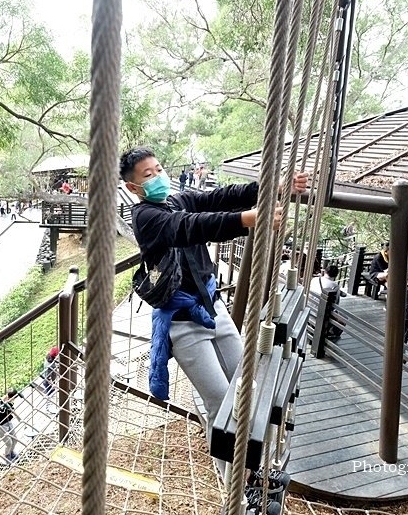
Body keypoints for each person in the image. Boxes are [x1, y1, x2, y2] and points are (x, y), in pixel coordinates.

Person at [120, 146, 307, 472]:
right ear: (134, 188)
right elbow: (190, 226)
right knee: (219, 400)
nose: (157, 177)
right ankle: (231, 480)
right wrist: (243, 220)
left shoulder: (176, 199)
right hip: (183, 323)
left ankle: (252, 463)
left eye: (158, 169)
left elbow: (218, 198)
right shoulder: (146, 218)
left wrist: (273, 187)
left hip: (213, 308)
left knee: (245, 383)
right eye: (148, 176)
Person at [316, 265, 346, 340]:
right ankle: (330, 334)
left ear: (325, 271)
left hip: (310, 307)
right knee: (343, 319)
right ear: (336, 275)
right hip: (322, 313)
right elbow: (335, 304)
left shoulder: (315, 279)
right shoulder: (335, 286)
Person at [0, 390, 20, 462]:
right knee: (9, 443)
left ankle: (11, 452)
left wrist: (8, 404)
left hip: (8, 422)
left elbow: (11, 411)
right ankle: (7, 455)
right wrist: (6, 403)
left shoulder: (10, 404)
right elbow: (1, 411)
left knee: (15, 439)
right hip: (1, 425)